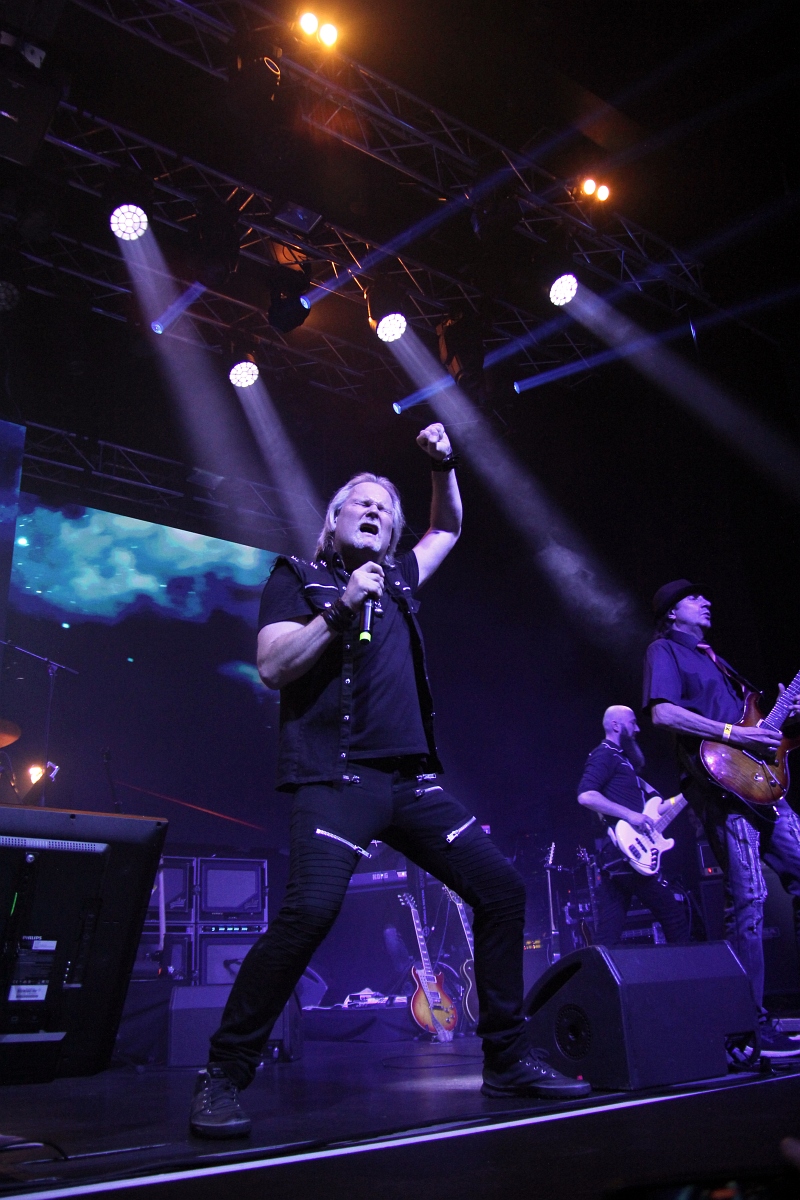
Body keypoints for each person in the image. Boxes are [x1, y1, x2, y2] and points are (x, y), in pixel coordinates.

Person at [190, 423, 590, 1138]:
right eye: (362, 503)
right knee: (308, 916)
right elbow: (274, 667)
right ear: (334, 521)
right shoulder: (298, 578)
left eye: (385, 508)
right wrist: (342, 606)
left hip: (410, 784)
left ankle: (506, 1059)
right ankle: (222, 1075)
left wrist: (442, 466)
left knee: (502, 890)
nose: (375, 511)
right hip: (335, 779)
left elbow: (449, 528)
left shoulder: (400, 577)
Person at [643, 579, 800, 1058]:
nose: (707, 601)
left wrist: (783, 716)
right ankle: (747, 1024)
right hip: (723, 789)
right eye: (694, 598)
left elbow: (755, 729)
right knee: (748, 899)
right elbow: (664, 715)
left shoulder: (716, 659)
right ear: (671, 613)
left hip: (762, 785)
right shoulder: (664, 651)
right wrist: (734, 732)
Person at [578, 705, 690, 947]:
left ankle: (597, 971)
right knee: (674, 918)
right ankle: (685, 969)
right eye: (632, 723)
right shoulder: (604, 754)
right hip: (626, 854)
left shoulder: (623, 761)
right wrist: (630, 816)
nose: (638, 729)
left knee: (608, 933)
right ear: (616, 725)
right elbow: (586, 796)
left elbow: (657, 806)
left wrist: (688, 794)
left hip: (618, 857)